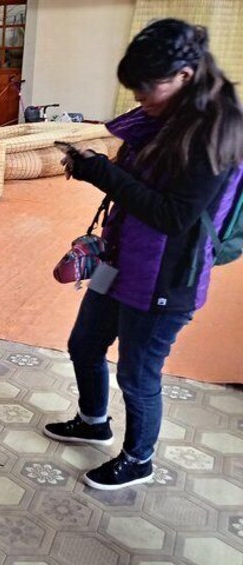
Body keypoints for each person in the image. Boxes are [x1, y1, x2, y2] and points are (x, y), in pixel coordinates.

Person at [44, 19, 243, 490]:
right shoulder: (167, 116)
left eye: (145, 87)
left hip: (167, 276)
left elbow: (174, 216)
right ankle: (94, 422)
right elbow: (142, 174)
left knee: (137, 374)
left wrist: (102, 175)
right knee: (85, 344)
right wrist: (100, 163)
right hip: (123, 256)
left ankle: (138, 459)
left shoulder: (217, 133)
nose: (137, 97)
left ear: (186, 76)